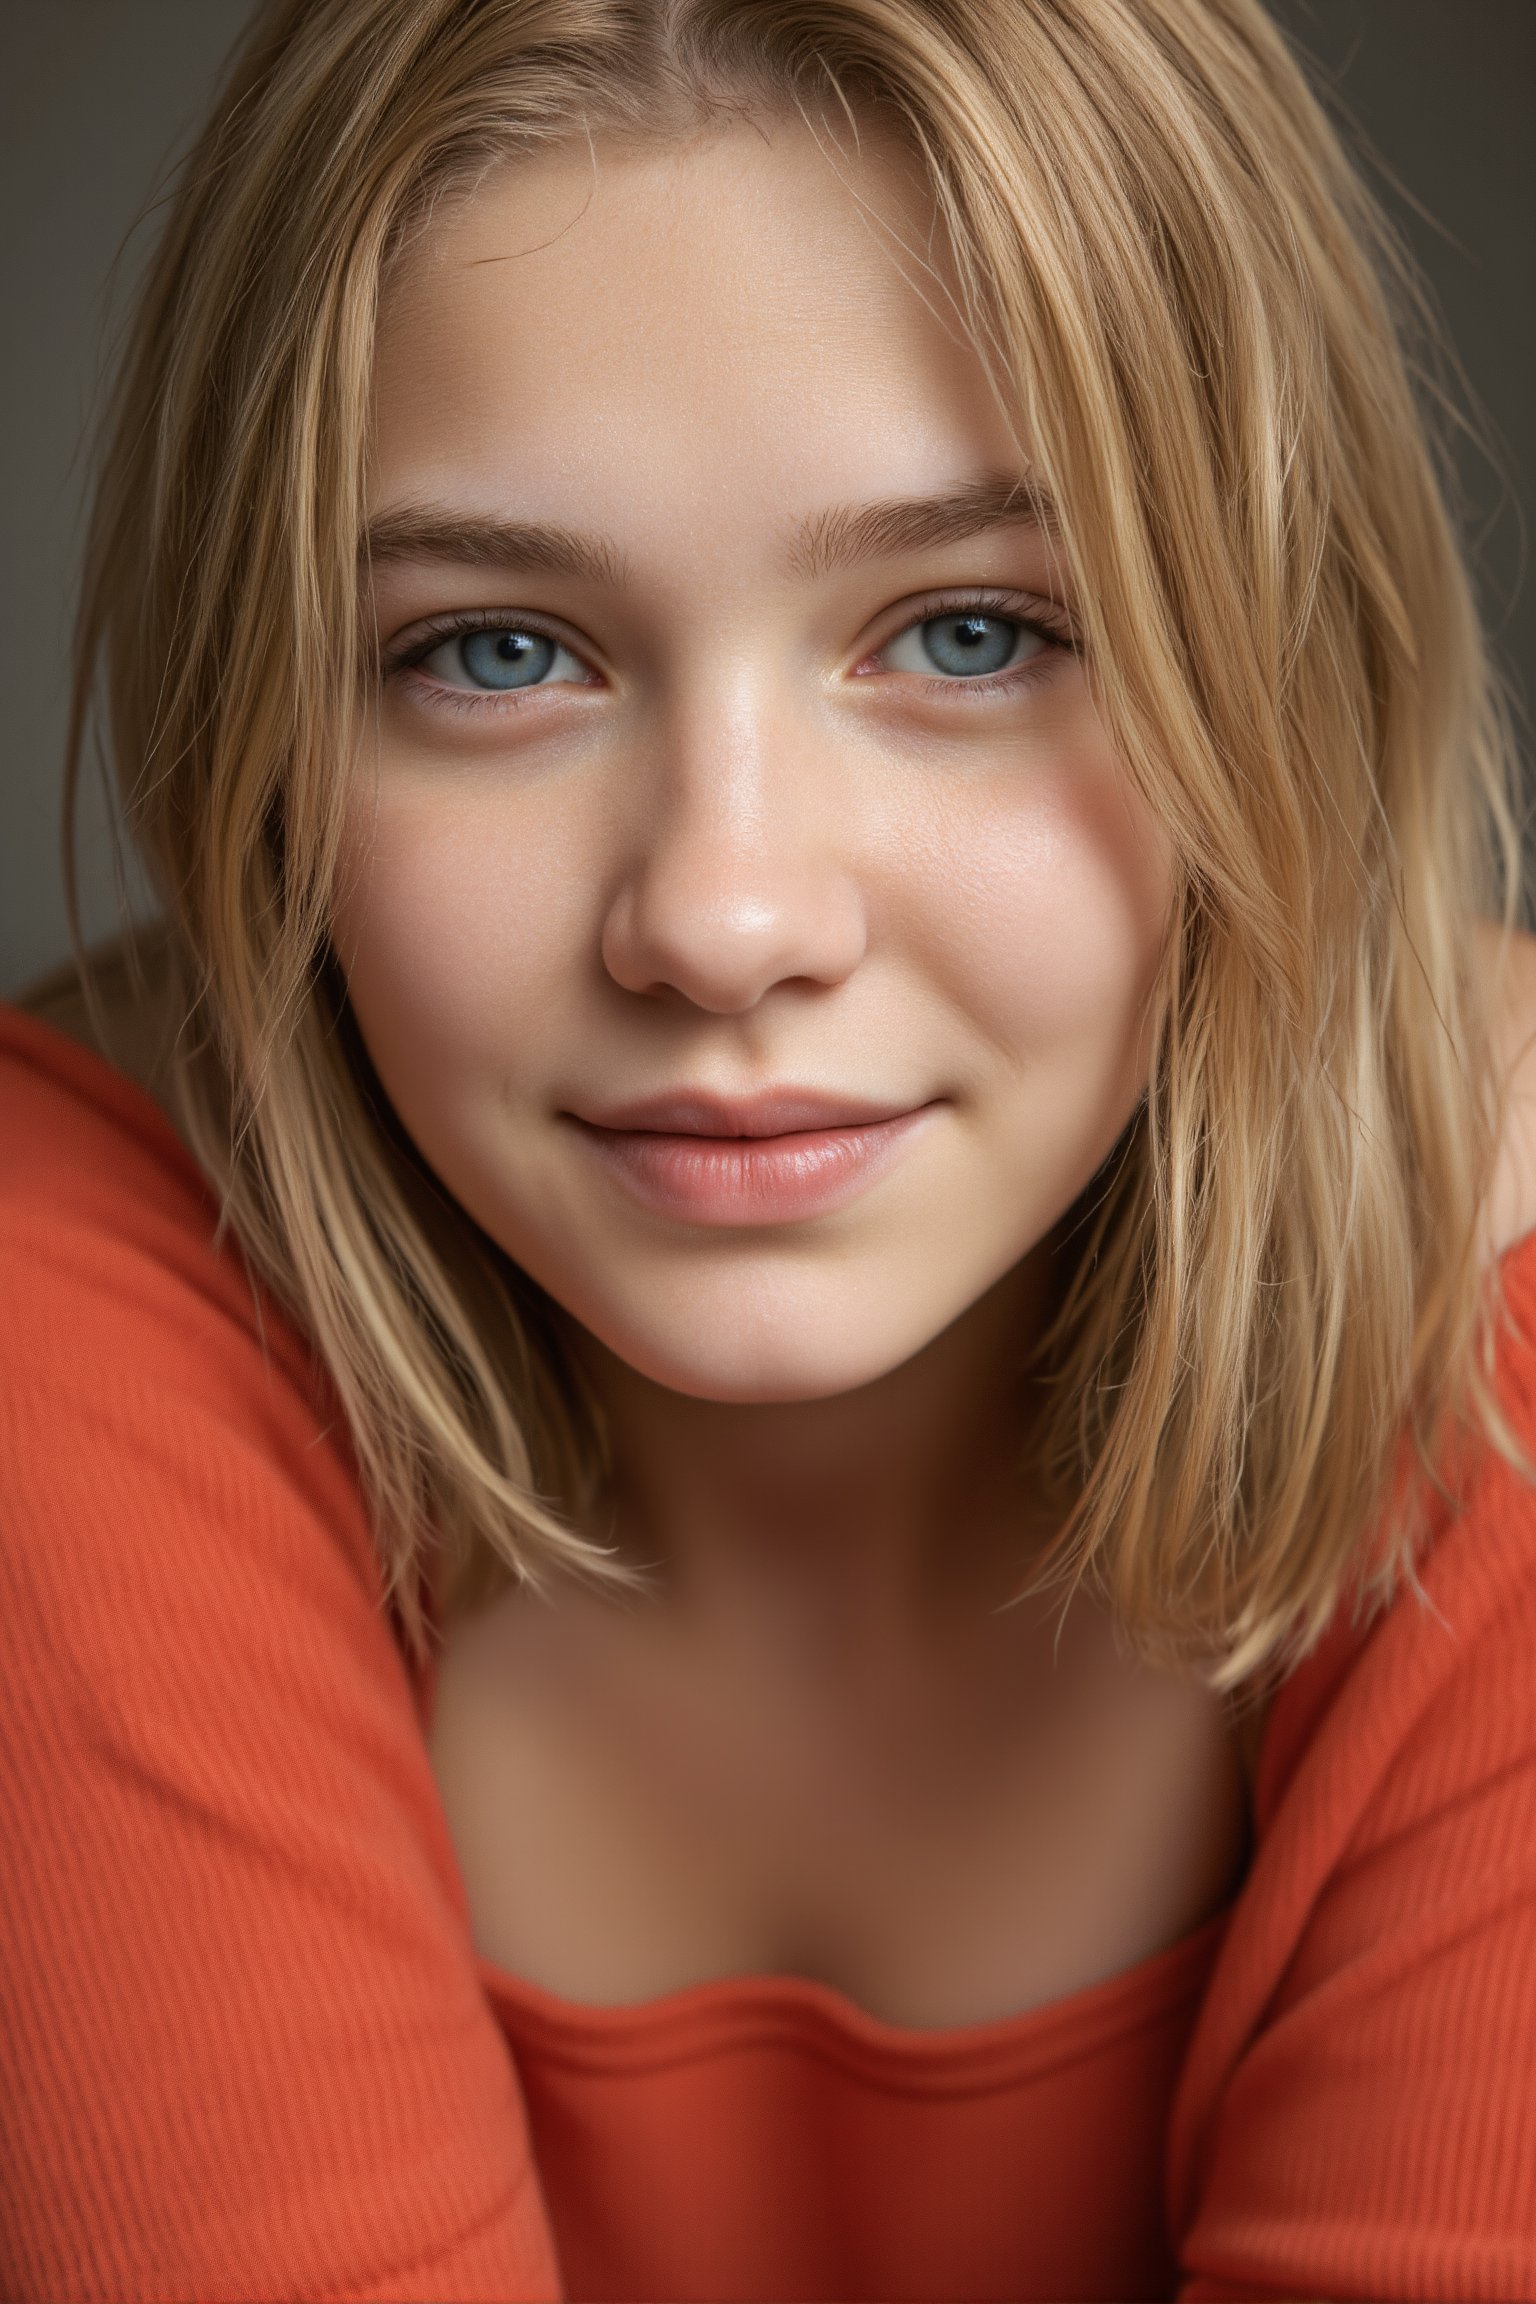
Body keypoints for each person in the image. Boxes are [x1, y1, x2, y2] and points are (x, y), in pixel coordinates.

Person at [4, 0, 1535, 2297]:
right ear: (267, 736)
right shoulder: (56, 1303)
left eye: (974, 629)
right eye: (498, 654)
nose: (722, 917)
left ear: (1273, 662)